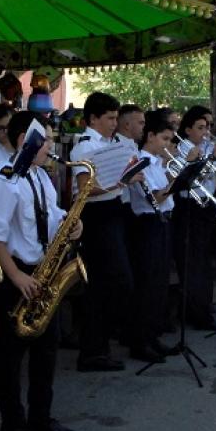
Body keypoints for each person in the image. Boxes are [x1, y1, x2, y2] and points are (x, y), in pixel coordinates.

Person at [0, 111, 81, 431]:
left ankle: (41, 417)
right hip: (16, 274)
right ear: (27, 140)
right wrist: (16, 275)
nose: (52, 146)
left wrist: (70, 224)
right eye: (48, 139)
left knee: (46, 349)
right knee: (11, 354)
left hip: (43, 271)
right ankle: (12, 425)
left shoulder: (39, 177)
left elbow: (50, 216)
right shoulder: (3, 180)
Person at [69, 92, 139, 370]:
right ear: (93, 119)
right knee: (105, 283)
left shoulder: (114, 143)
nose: (114, 123)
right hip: (96, 215)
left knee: (114, 283)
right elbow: (86, 187)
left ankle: (99, 345)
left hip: (114, 212)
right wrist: (120, 182)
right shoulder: (84, 147)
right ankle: (92, 349)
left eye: (115, 117)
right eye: (109, 118)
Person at [171, 105, 216, 331]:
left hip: (205, 206)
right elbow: (196, 175)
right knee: (195, 264)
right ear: (187, 130)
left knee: (206, 261)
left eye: (207, 127)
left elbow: (212, 178)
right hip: (189, 208)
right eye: (200, 127)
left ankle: (202, 308)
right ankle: (197, 313)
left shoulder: (204, 146)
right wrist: (215, 154)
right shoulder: (183, 148)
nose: (206, 132)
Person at [126, 112, 177, 363]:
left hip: (162, 224)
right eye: (164, 139)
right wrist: (176, 182)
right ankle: (140, 342)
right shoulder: (139, 162)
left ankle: (153, 337)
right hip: (146, 225)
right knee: (146, 285)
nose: (167, 144)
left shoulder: (157, 163)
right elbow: (154, 198)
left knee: (159, 285)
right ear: (150, 137)